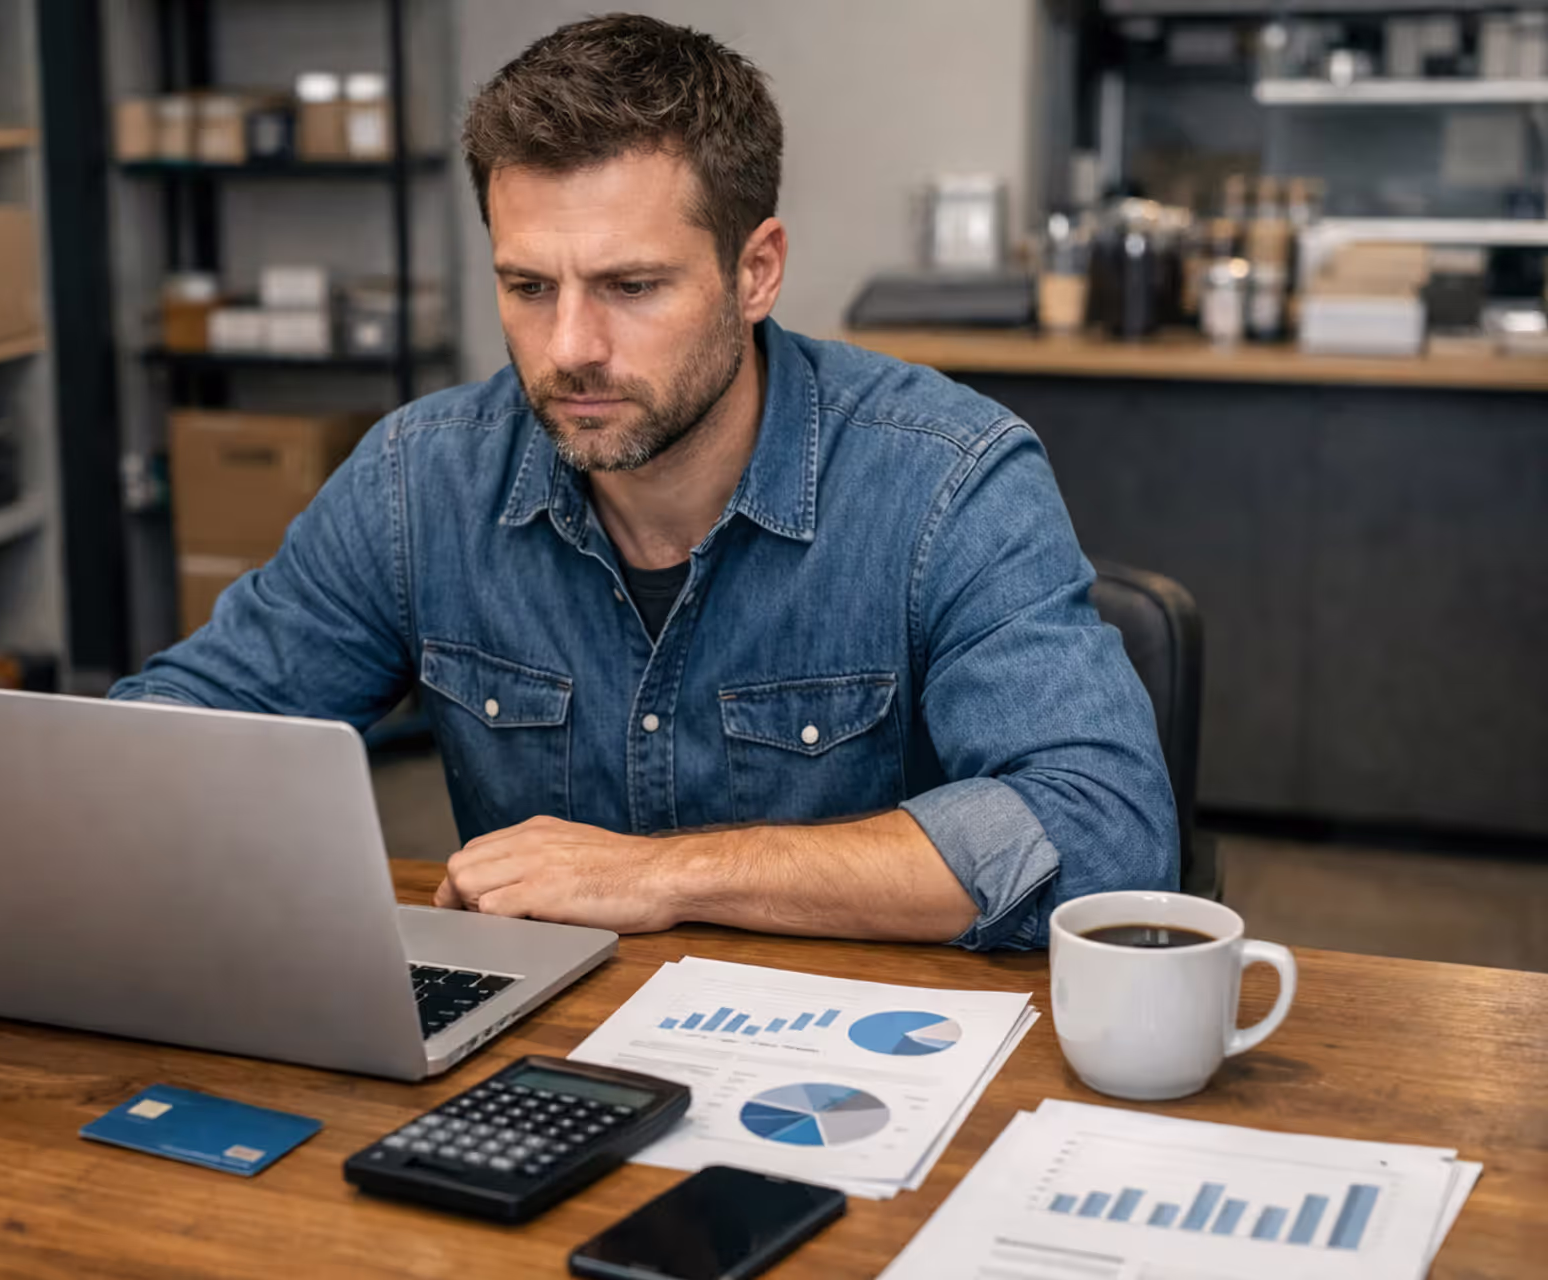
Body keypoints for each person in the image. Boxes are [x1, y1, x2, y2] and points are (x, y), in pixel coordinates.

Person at [110, 14, 1176, 949]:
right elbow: (180, 733)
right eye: (528, 286)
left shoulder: (947, 477)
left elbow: (1102, 828)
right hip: (536, 1064)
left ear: (755, 271)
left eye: (631, 285)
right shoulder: (418, 479)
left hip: (860, 1075)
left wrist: (661, 873)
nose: (569, 345)